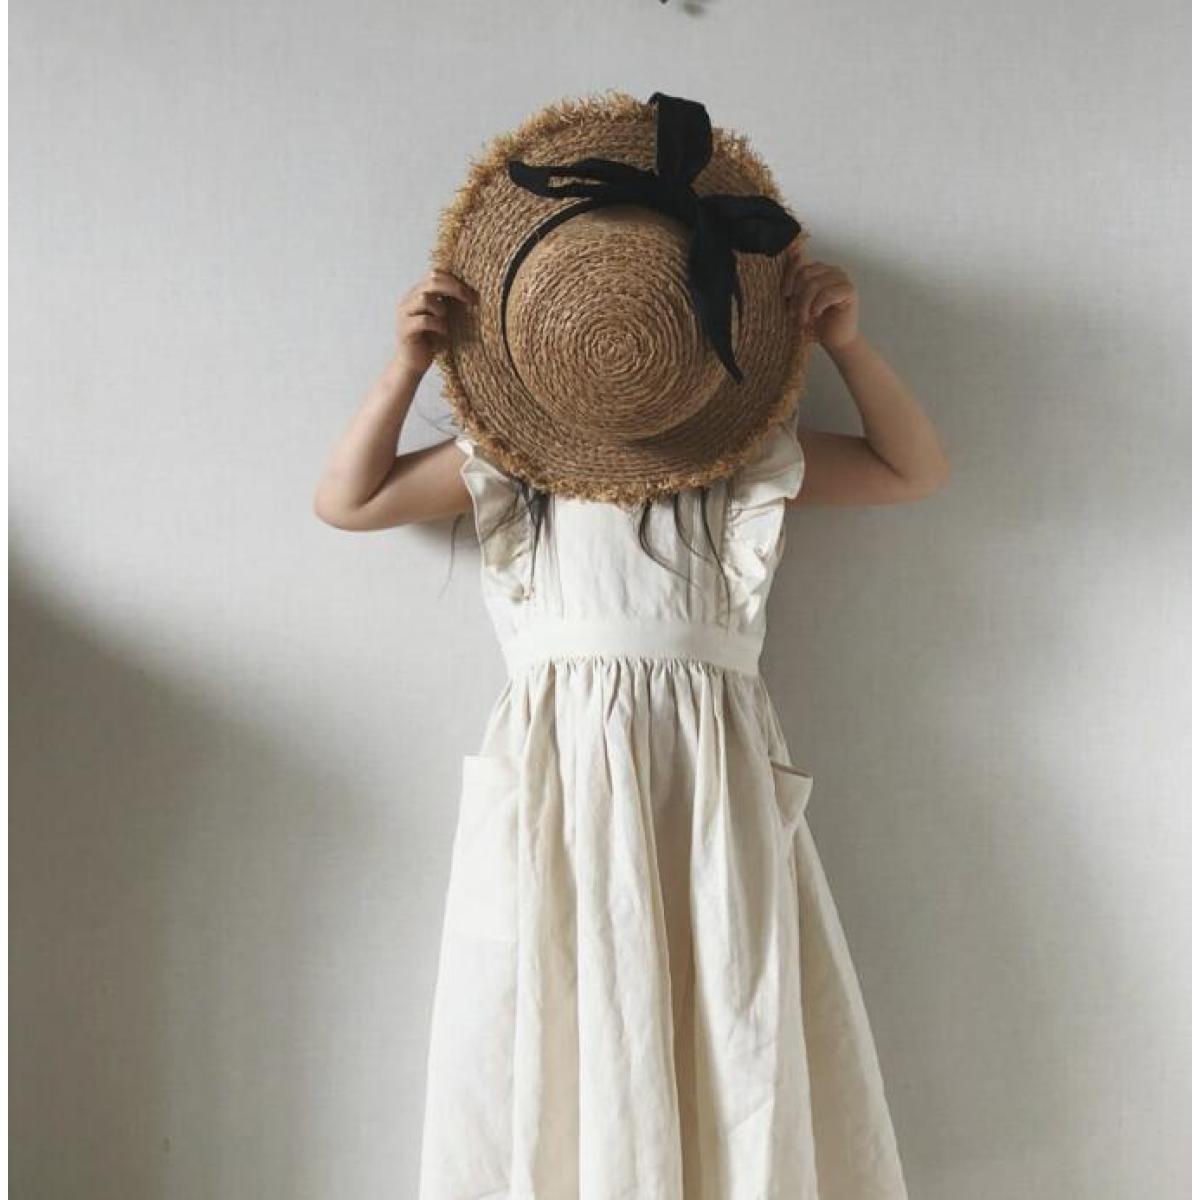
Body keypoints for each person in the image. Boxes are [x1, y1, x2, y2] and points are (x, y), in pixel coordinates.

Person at [314, 91, 948, 1200]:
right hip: (561, 789)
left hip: (708, 790)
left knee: (726, 1021)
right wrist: (404, 367)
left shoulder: (738, 468)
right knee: (563, 1020)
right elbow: (348, 500)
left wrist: (847, 345)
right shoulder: (511, 469)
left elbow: (912, 470)